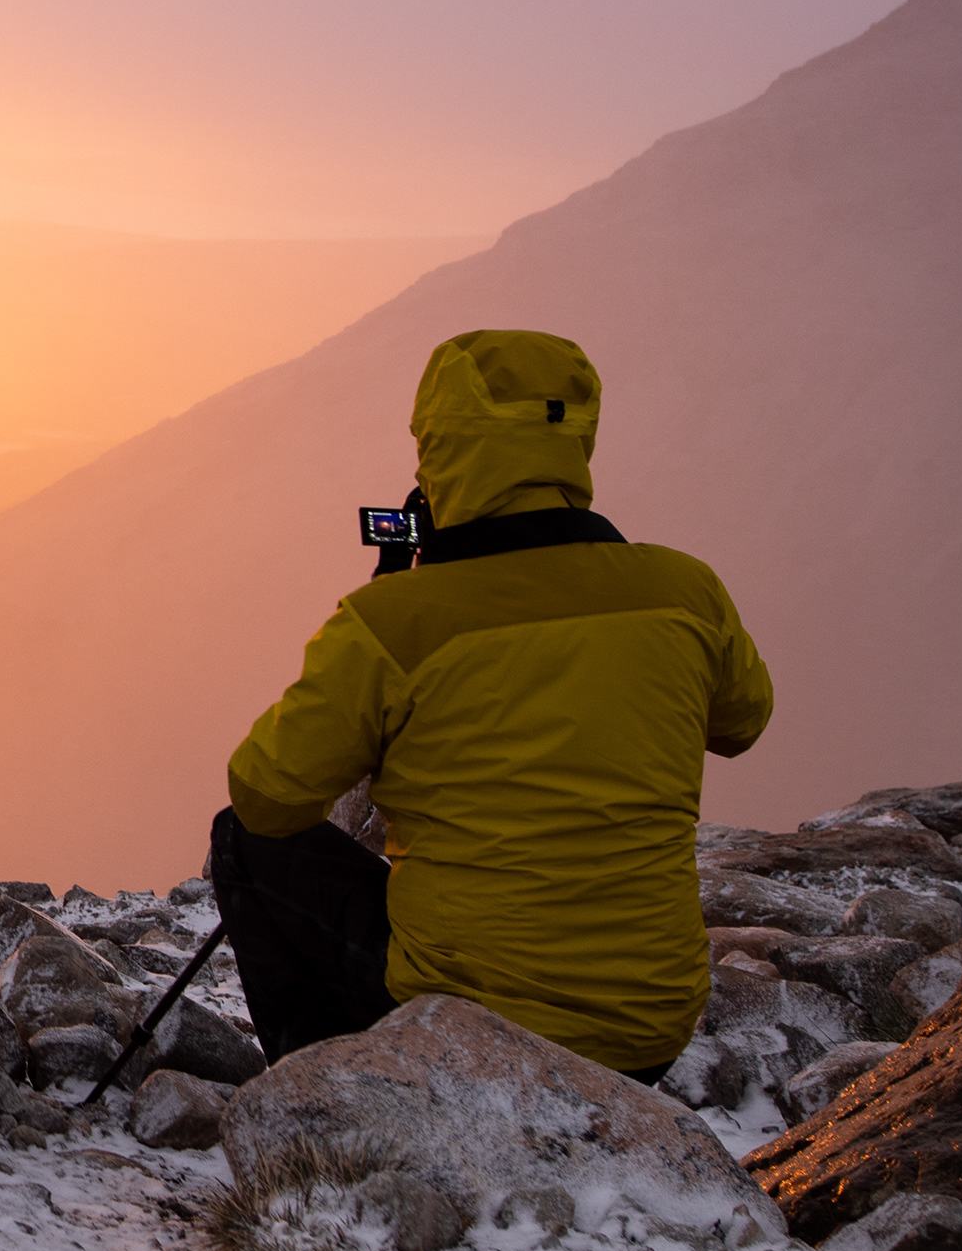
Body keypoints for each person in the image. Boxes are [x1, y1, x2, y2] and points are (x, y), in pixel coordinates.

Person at [211, 328, 773, 1081]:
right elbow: (742, 722)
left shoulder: (396, 623)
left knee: (242, 839)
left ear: (443, 452)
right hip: (647, 1030)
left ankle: (333, 1096)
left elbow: (265, 796)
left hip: (470, 1026)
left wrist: (388, 613)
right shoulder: (687, 591)